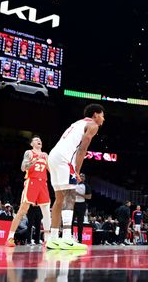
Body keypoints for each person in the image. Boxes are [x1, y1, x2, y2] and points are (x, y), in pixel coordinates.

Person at [46, 103, 105, 250]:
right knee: (70, 196)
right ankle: (66, 238)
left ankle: (53, 239)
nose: (103, 119)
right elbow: (82, 149)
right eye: (103, 116)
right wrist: (77, 170)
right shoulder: (93, 125)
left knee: (59, 199)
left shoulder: (77, 123)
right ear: (96, 115)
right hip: (64, 159)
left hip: (53, 156)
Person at [5, 136, 52, 248]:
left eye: (40, 139)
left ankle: (47, 240)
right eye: (36, 140)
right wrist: (36, 159)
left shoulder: (45, 155)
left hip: (43, 184)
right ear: (31, 144)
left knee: (46, 212)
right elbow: (23, 167)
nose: (39, 140)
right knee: (22, 211)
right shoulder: (29, 153)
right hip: (32, 182)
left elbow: (52, 171)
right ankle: (10, 238)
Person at [73, 174, 91, 244]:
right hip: (73, 204)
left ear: (84, 178)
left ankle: (80, 240)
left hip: (81, 205)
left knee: (80, 223)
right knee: (70, 222)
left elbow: (89, 197)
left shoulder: (86, 186)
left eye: (83, 176)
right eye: (80, 176)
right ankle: (70, 237)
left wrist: (78, 194)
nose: (81, 177)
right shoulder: (73, 184)